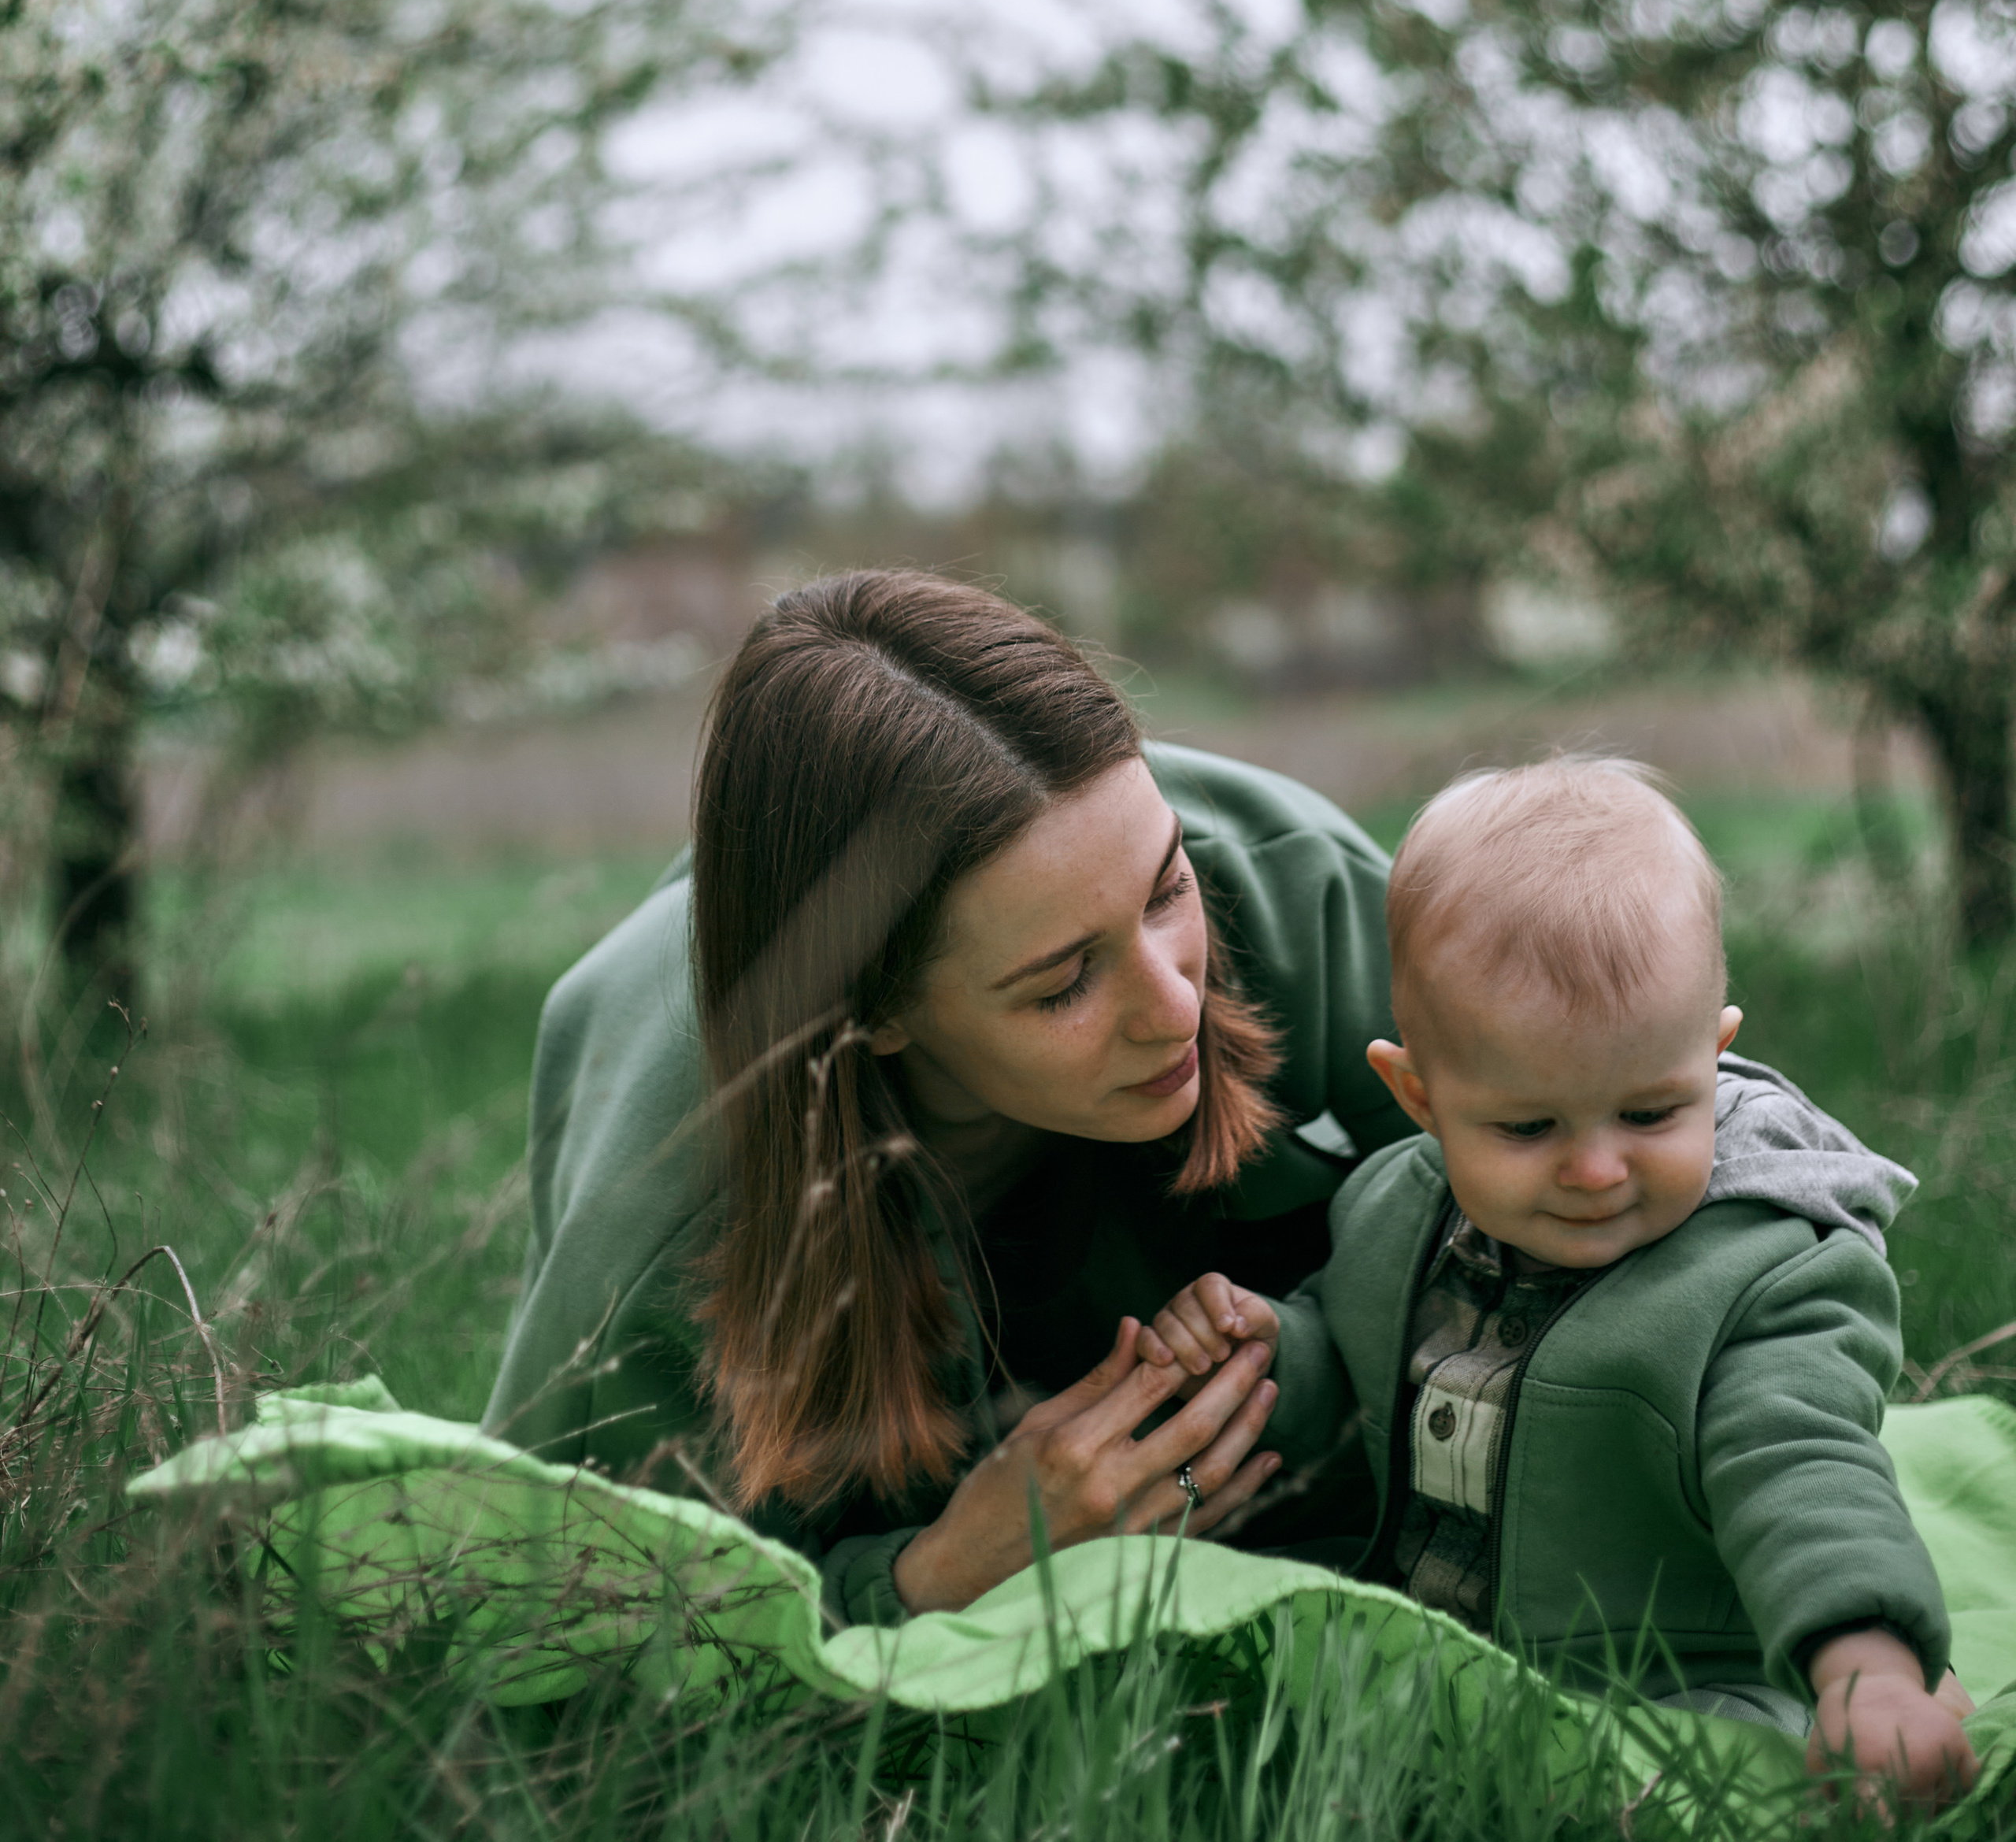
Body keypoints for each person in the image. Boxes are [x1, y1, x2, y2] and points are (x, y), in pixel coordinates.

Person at [484, 579, 1907, 1633]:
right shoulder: (681, 1199)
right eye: (1062, 984)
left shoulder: (1272, 884)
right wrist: (928, 1578)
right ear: (882, 1014)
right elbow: (557, 1624)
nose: (1176, 1000)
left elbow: (1643, 1128)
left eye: (1164, 889)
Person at [1148, 758, 1978, 1805]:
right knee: (1243, 1713)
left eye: (1650, 1113)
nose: (1595, 1170)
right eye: (1529, 1126)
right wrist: (1269, 1350)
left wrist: (1867, 1665)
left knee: (1711, 1784)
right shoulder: (1394, 1208)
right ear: (1419, 1094)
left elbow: (1804, 1470)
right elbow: (1365, 1374)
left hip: (1676, 1676)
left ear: (1712, 1059)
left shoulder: (1770, 1274)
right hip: (1441, 1648)